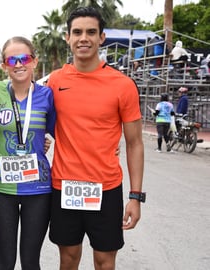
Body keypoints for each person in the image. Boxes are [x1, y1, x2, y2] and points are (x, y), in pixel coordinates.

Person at [46, 7, 145, 269]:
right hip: (65, 187)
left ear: (102, 37)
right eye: (77, 32)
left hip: (106, 188)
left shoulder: (122, 85)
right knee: (67, 258)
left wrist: (135, 197)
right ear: (67, 37)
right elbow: (23, 105)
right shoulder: (55, 82)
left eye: (91, 32)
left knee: (104, 261)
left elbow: (135, 143)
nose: (83, 38)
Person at [0, 36, 56, 269]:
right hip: (2, 189)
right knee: (4, 262)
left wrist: (108, 144)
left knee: (31, 261)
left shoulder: (47, 95)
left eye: (25, 58)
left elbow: (61, 131)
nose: (19, 64)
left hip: (39, 188)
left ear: (34, 61)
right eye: (12, 59)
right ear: (4, 65)